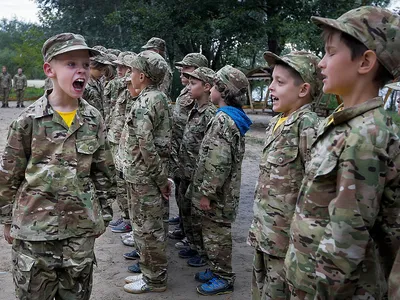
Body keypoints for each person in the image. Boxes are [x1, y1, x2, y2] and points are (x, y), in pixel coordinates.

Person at [285, 7, 400, 299]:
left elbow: (346, 240)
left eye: (330, 53)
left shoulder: (365, 136)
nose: (321, 64)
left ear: (365, 62)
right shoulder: (345, 123)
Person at [0, 32, 116, 299]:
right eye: (71, 64)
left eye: (86, 65)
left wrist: (102, 217)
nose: (82, 71)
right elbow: (9, 175)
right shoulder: (27, 120)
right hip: (34, 235)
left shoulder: (93, 119)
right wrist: (7, 220)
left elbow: (104, 172)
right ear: (49, 70)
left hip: (79, 236)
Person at [247, 51, 322, 300]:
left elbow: (315, 188)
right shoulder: (278, 120)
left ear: (303, 90)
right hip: (265, 232)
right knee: (260, 287)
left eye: (280, 82)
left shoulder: (307, 124)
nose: (270, 88)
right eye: (272, 81)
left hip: (285, 240)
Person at [191, 65, 252, 296]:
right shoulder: (227, 118)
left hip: (218, 194)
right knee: (212, 233)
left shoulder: (224, 121)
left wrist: (207, 192)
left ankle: (224, 276)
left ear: (223, 91)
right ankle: (216, 268)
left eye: (215, 85)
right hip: (221, 192)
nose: (212, 89)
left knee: (217, 234)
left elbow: (219, 161)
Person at [118, 50, 172, 294]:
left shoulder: (149, 101)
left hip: (145, 177)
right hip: (140, 175)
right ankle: (149, 271)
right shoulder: (152, 98)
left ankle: (155, 279)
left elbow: (145, 144)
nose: (130, 76)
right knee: (144, 227)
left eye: (132, 72)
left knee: (148, 229)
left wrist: (161, 179)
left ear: (142, 76)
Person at [175, 67, 217, 266]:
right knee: (187, 211)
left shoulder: (210, 113)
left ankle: (203, 252)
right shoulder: (195, 108)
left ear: (207, 87)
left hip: (197, 173)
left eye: (194, 83)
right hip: (186, 169)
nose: (189, 87)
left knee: (199, 216)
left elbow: (210, 148)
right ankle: (194, 245)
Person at [168, 53, 209, 242]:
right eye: (183, 68)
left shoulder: (202, 94)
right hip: (181, 150)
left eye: (188, 68)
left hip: (193, 154)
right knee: (181, 192)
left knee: (191, 198)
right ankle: (185, 228)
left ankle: (194, 238)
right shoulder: (186, 91)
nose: (183, 72)